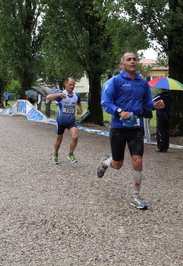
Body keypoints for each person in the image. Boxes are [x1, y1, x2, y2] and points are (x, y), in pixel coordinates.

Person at [96, 52, 165, 209]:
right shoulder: (114, 82)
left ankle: (136, 196)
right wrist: (120, 111)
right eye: (129, 59)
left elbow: (146, 102)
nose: (132, 61)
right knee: (118, 164)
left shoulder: (142, 83)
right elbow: (105, 102)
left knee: (138, 160)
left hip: (136, 128)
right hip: (118, 128)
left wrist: (154, 105)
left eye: (134, 59)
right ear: (122, 64)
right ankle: (105, 163)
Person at [46, 78, 83, 164]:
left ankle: (70, 153)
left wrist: (79, 109)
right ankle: (55, 154)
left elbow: (78, 103)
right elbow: (48, 97)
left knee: (75, 136)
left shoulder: (76, 96)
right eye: (70, 84)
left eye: (73, 85)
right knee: (59, 141)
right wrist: (58, 95)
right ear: (65, 84)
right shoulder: (61, 95)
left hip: (71, 121)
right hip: (61, 122)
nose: (72, 86)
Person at [153, 88, 173, 152]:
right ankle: (166, 146)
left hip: (161, 116)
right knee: (166, 131)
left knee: (160, 131)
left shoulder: (159, 96)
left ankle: (161, 146)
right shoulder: (170, 96)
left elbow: (152, 102)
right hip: (168, 116)